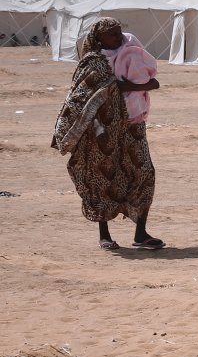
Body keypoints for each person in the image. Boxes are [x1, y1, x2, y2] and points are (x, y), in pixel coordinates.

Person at [51, 18, 162, 251]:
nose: (118, 36)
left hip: (133, 125)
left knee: (144, 172)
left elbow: (153, 83)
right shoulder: (93, 64)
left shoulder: (131, 53)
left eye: (119, 31)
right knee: (103, 177)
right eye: (111, 33)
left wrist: (130, 87)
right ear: (98, 37)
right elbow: (82, 100)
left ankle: (140, 233)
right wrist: (99, 127)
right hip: (103, 130)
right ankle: (104, 235)